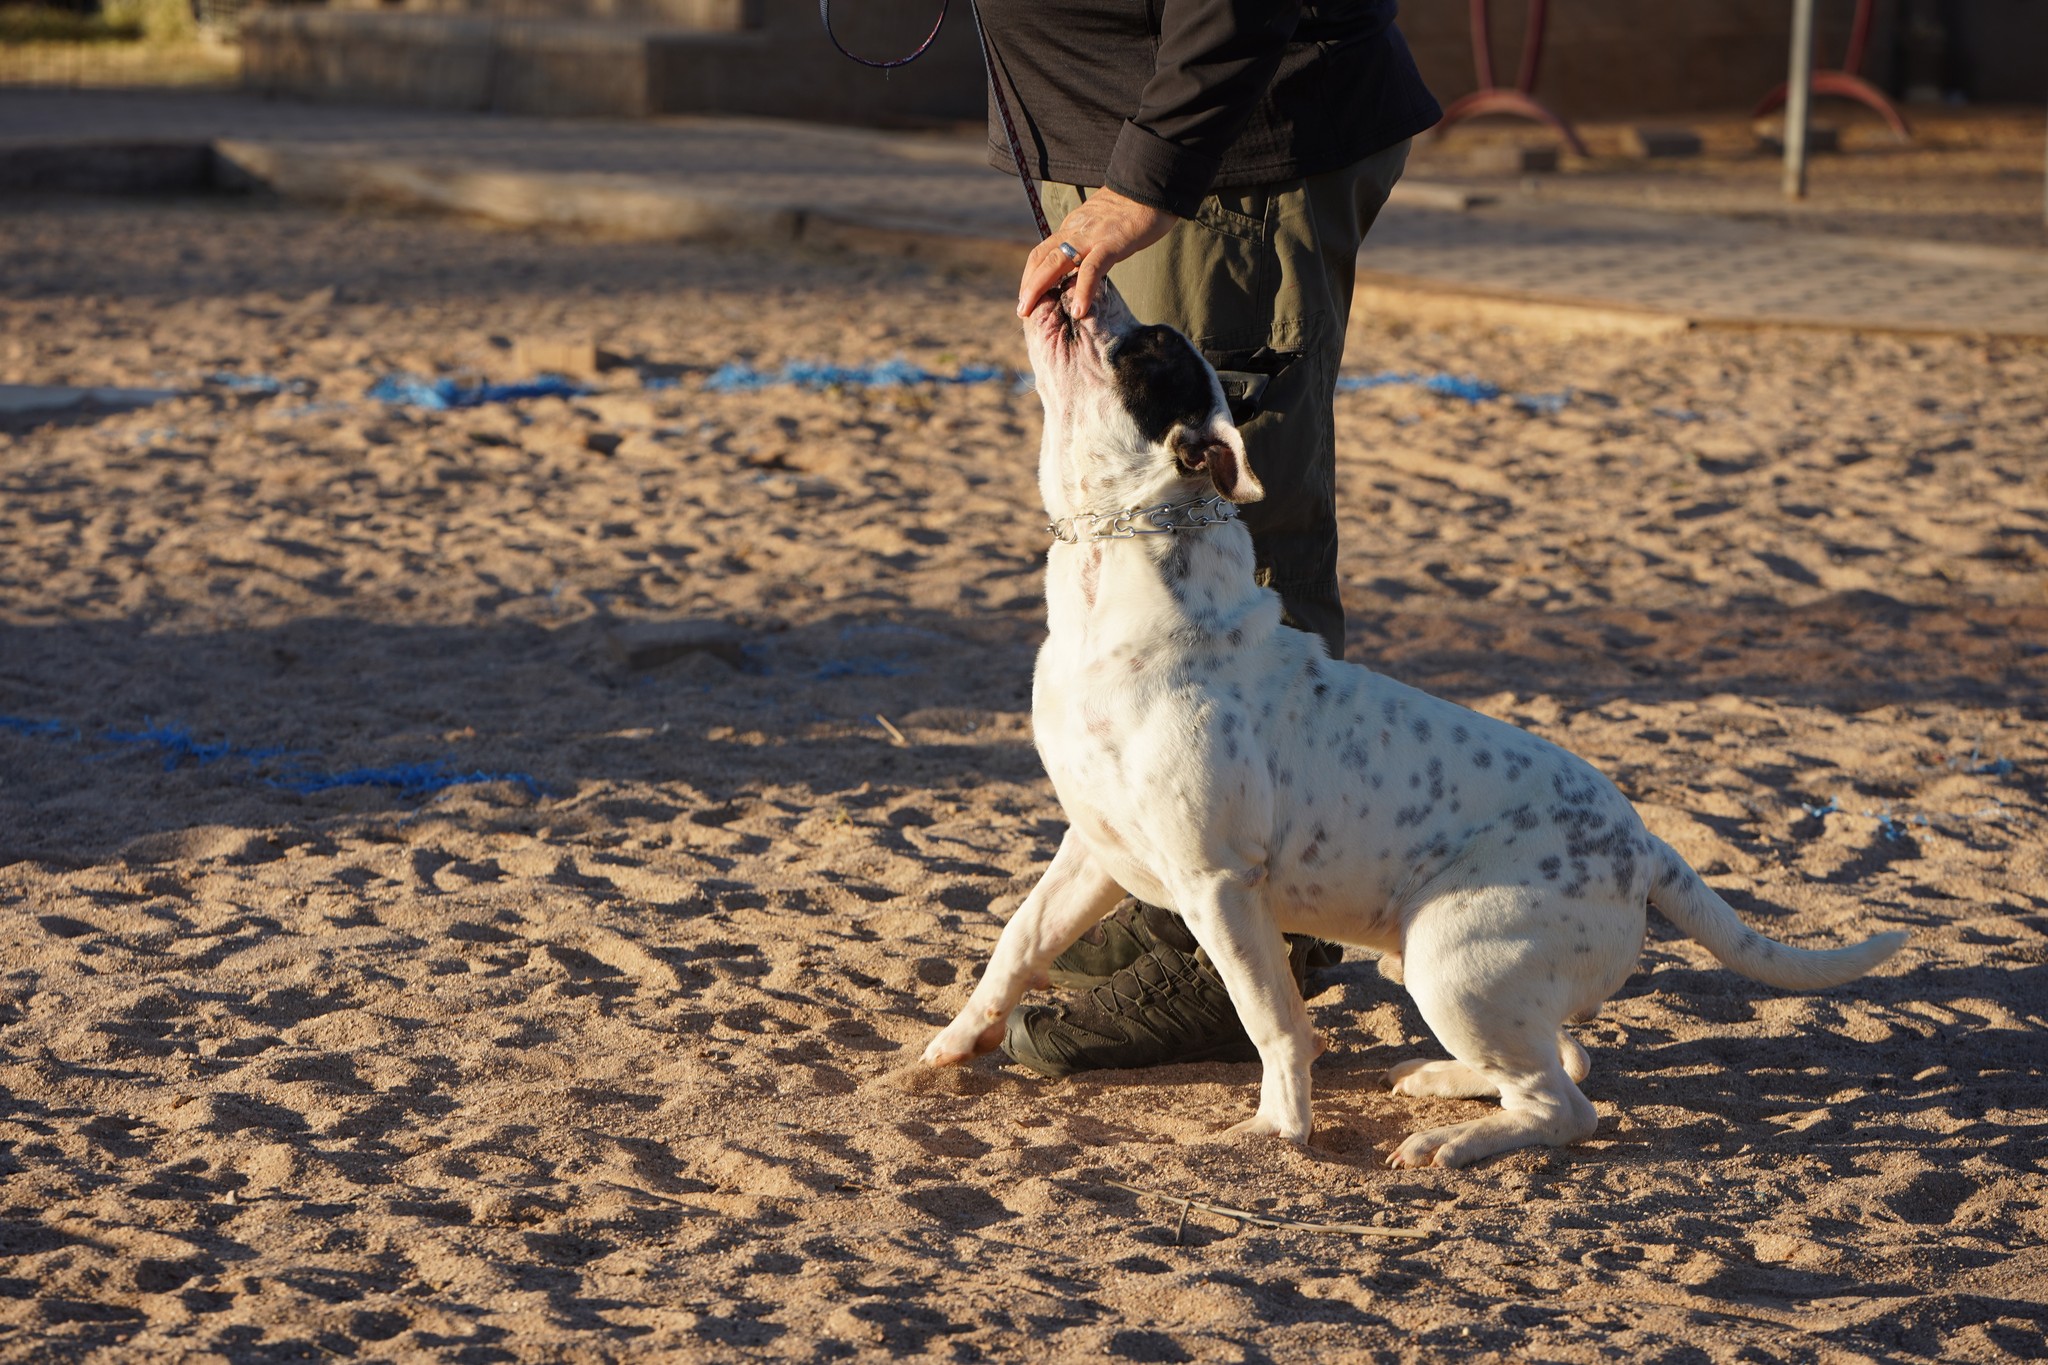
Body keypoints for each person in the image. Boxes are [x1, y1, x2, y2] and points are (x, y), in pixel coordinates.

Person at [975, 0, 1440, 1077]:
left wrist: (1146, 177)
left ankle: (1263, 932)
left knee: (1228, 539)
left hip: (1215, 157)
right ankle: (1187, 886)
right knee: (1166, 555)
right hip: (1134, 138)